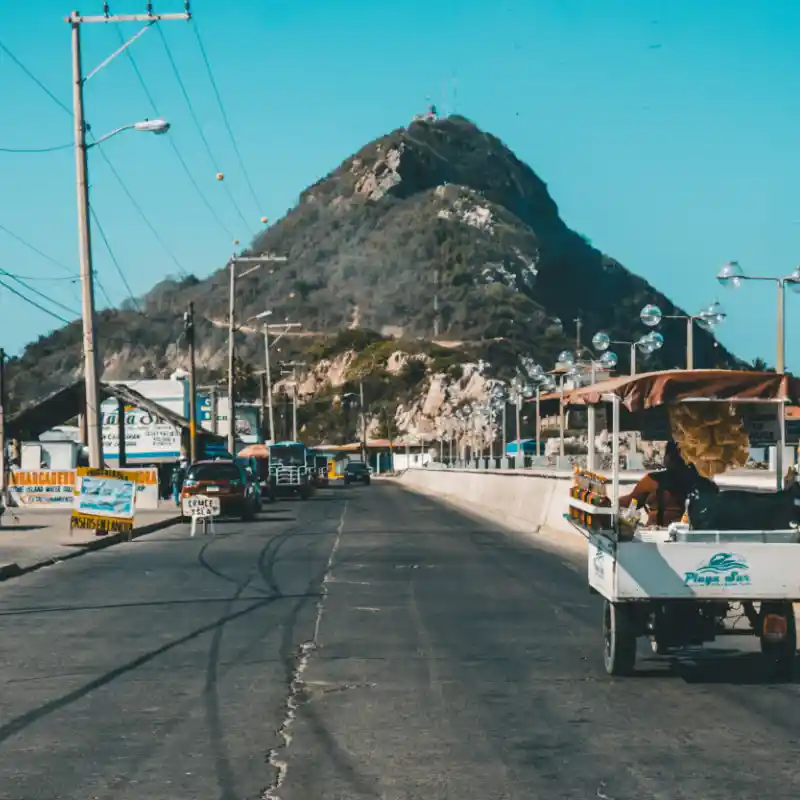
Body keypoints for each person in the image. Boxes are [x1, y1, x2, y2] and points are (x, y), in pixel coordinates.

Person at [619, 440, 716, 527]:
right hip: (691, 537)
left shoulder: (652, 481)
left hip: (657, 535)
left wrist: (610, 503)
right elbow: (630, 503)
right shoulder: (705, 484)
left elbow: (629, 502)